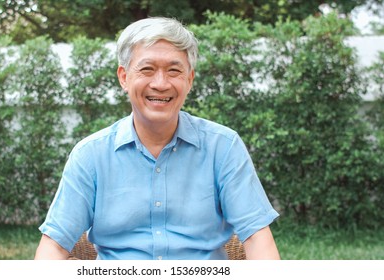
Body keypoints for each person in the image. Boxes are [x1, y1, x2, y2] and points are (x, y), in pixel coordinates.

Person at [35, 17, 280, 260]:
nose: (161, 84)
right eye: (147, 69)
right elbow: (54, 246)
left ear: (189, 79)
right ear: (124, 78)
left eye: (174, 71)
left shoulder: (223, 147)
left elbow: (258, 237)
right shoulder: (90, 154)